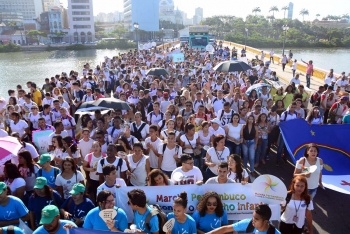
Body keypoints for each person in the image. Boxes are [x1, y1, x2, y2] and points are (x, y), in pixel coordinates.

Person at [207, 204, 280, 234]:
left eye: (256, 219)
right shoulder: (248, 223)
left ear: (265, 221)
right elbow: (225, 229)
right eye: (253, 217)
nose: (253, 220)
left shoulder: (275, 233)